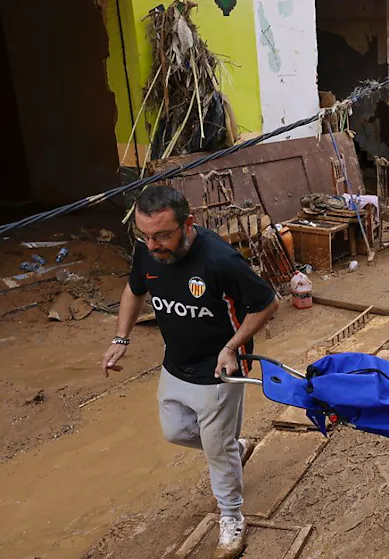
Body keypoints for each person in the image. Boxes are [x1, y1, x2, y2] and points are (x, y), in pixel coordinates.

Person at [102, 185, 279, 559]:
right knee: (175, 431)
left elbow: (267, 303)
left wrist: (232, 348)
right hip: (175, 362)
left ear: (188, 224)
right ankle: (234, 448)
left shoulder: (219, 260)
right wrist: (121, 339)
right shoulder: (147, 252)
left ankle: (231, 517)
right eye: (145, 235)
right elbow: (134, 290)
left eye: (163, 235)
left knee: (216, 453)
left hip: (220, 368)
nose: (152, 245)